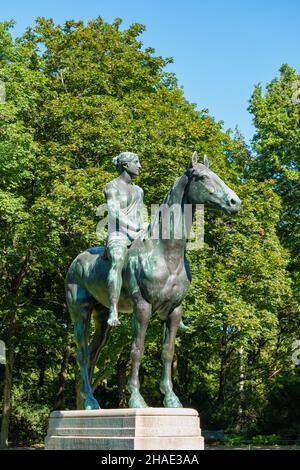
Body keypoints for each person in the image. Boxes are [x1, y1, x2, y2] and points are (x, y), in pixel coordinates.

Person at [104, 152, 147, 327]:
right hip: (118, 234)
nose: (140, 166)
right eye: (136, 162)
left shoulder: (139, 190)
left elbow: (140, 215)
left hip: (137, 233)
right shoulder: (111, 186)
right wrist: (133, 228)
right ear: (125, 165)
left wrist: (144, 226)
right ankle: (113, 309)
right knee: (118, 259)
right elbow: (114, 212)